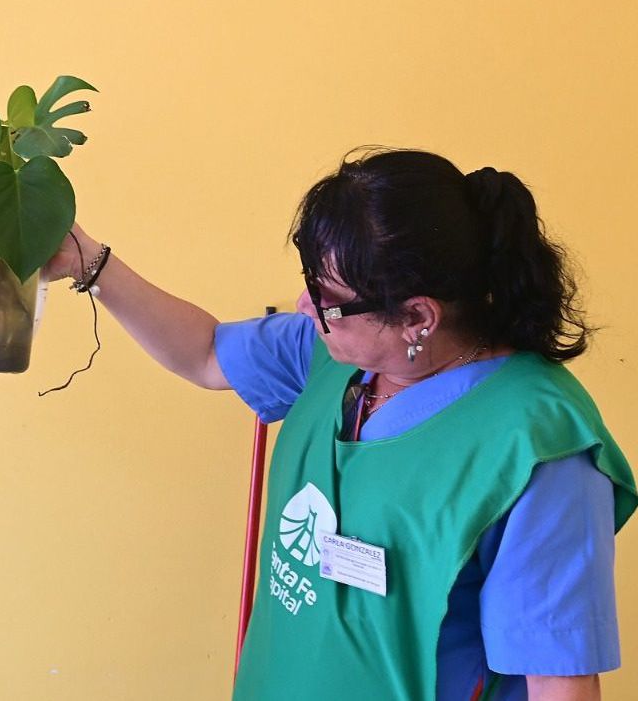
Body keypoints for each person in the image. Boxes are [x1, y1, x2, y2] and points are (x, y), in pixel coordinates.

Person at [43, 149, 635, 700]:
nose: (304, 305)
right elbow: (203, 353)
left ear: (418, 318)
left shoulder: (538, 449)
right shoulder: (331, 354)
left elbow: (559, 685)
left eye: (324, 294)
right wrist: (88, 261)